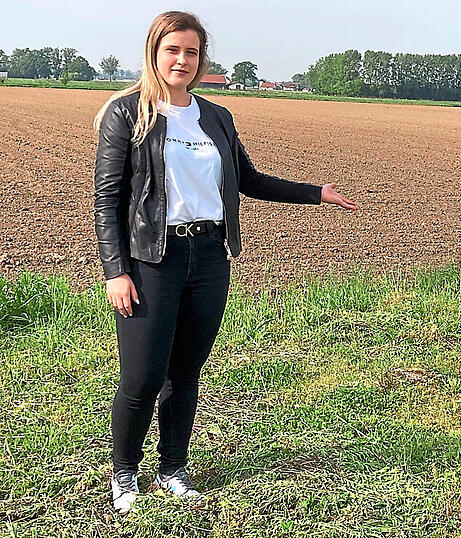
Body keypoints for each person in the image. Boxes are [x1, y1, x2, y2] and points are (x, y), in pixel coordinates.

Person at [92, 11, 357, 514]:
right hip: (152, 259)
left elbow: (248, 180)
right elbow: (107, 200)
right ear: (154, 52)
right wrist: (116, 270)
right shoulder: (127, 114)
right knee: (143, 376)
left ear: (201, 58)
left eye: (191, 52)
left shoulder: (215, 116)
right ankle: (124, 473)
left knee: (185, 372)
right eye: (173, 50)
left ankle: (172, 467)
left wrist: (316, 192)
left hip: (210, 257)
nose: (182, 60)